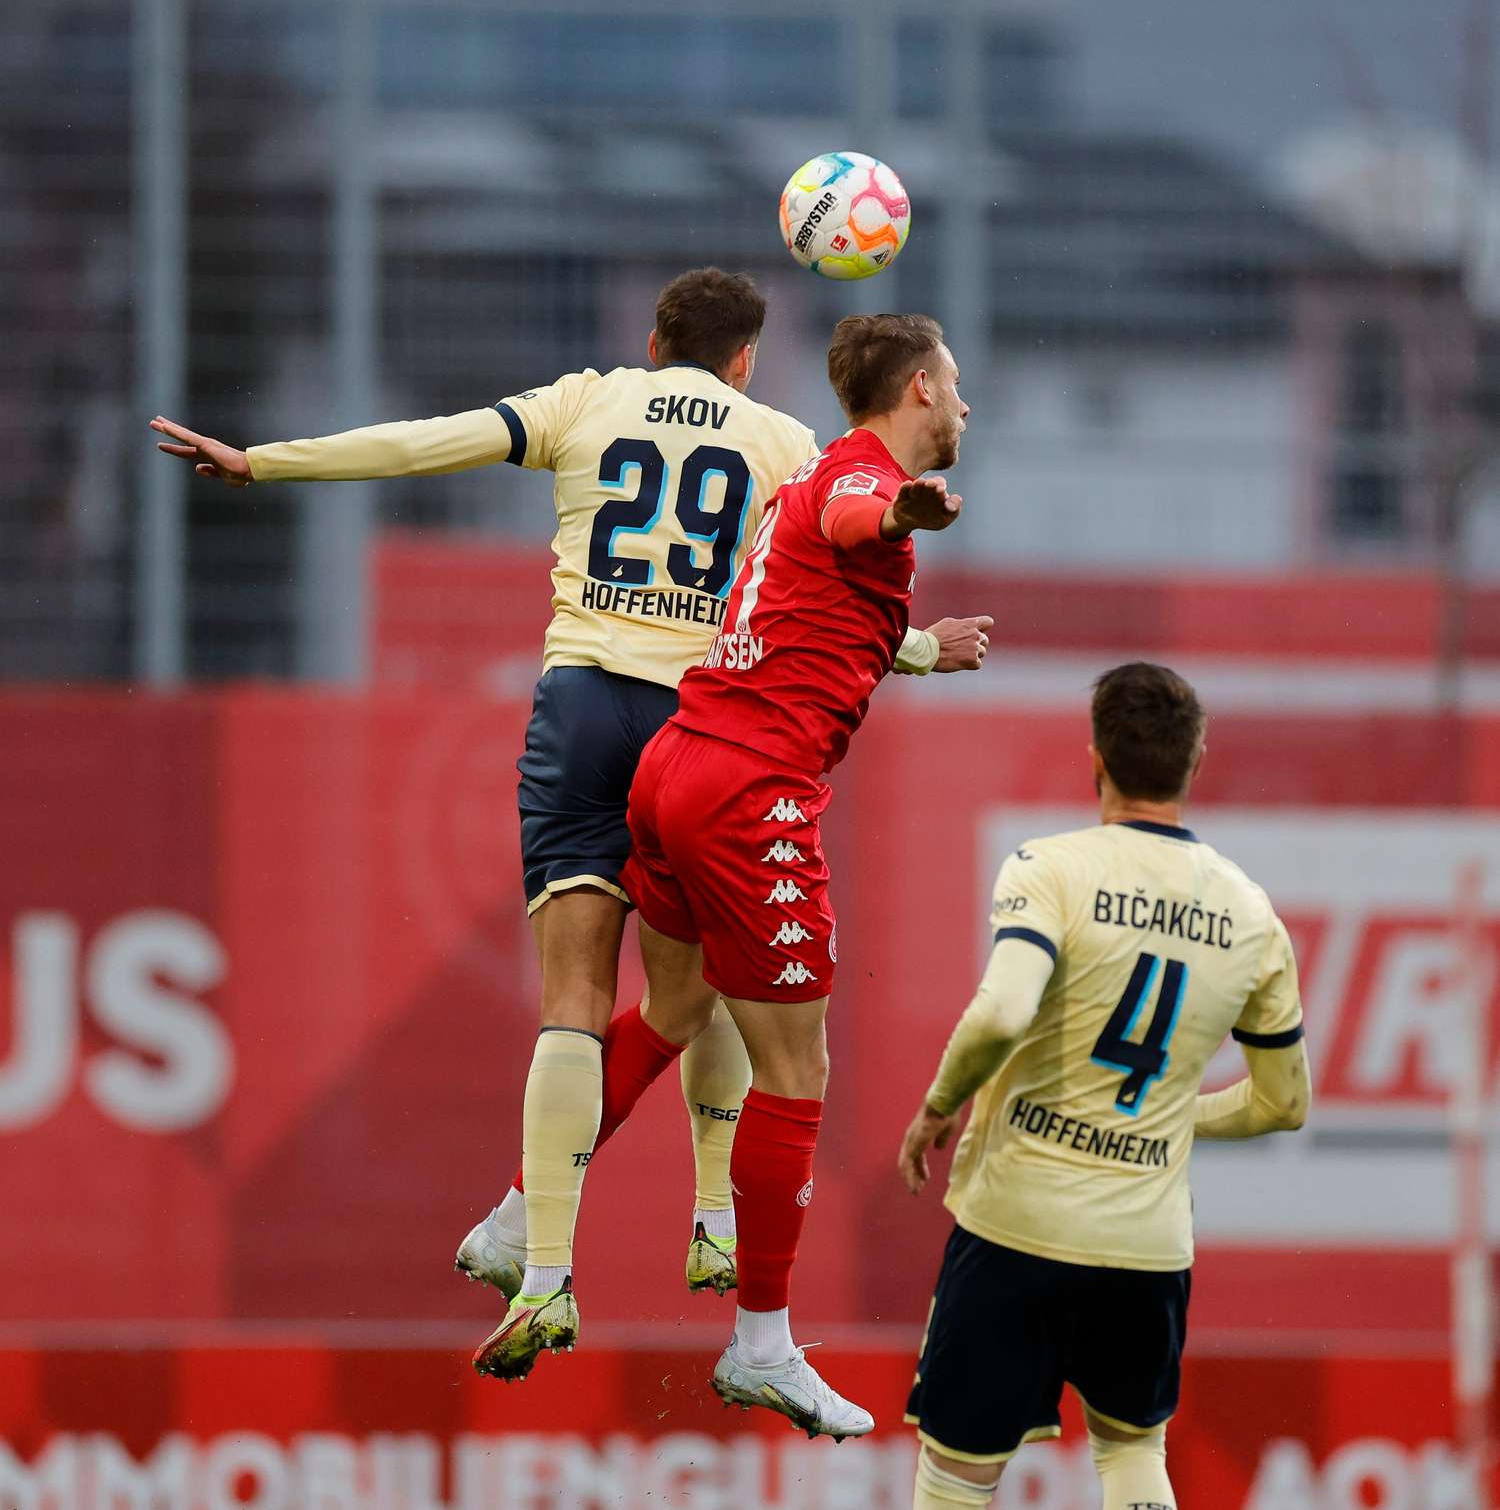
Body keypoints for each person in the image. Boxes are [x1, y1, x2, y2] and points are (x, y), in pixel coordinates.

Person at [149, 268, 992, 1384]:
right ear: (746, 359)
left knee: (574, 1004)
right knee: (714, 980)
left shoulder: (586, 400)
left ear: (653, 340)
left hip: (583, 707)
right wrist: (922, 646)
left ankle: (543, 1267)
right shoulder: (784, 442)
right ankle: (713, 1216)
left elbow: (428, 444)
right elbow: (804, 584)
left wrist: (264, 461)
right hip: (698, 720)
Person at [618, 311, 971, 1441]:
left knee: (673, 1009)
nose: (966, 406)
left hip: (677, 761)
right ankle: (762, 1346)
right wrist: (903, 513)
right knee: (798, 1068)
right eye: (956, 385)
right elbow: (859, 515)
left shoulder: (809, 475)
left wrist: (923, 644)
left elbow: (811, 592)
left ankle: (527, 1215)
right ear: (920, 388)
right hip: (749, 793)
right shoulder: (859, 480)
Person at [897, 661, 1311, 1510]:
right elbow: (1284, 1102)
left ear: (1095, 759)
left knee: (957, 1472)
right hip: (1146, 1244)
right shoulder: (1250, 913)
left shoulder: (1049, 869)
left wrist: (939, 1102)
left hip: (1017, 1224)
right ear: (1195, 762)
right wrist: (1170, 1118)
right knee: (1131, 1449)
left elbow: (1001, 1013)